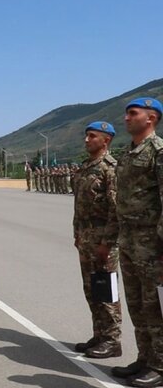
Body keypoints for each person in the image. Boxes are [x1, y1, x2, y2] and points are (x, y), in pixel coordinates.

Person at [112, 97, 163, 388]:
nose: (126, 118)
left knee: (154, 307)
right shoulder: (129, 153)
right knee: (138, 305)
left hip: (152, 245)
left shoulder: (158, 151)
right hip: (129, 240)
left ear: (151, 118)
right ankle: (145, 358)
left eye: (133, 113)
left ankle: (160, 364)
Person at [71, 121, 121, 358]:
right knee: (91, 289)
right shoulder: (85, 167)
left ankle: (112, 340)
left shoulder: (109, 168)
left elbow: (115, 209)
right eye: (86, 136)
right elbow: (79, 206)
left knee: (107, 291)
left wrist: (107, 243)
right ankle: (99, 334)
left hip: (103, 240)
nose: (86, 140)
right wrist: (77, 234)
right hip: (86, 237)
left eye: (92, 136)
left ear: (106, 140)